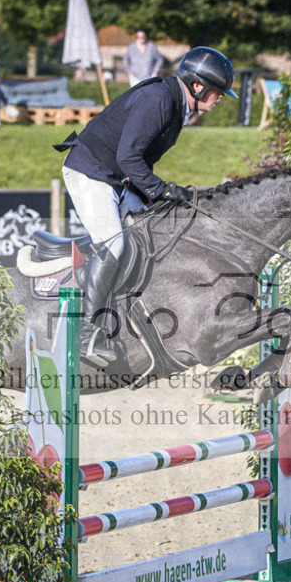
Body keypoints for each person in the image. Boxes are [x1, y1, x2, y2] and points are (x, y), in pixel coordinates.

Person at [54, 46, 237, 367]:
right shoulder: (159, 100)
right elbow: (128, 158)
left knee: (160, 225)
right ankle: (84, 331)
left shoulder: (178, 104)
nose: (221, 97)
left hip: (116, 177)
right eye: (219, 90)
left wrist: (159, 199)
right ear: (198, 86)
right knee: (114, 244)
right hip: (90, 172)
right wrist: (161, 190)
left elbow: (137, 160)